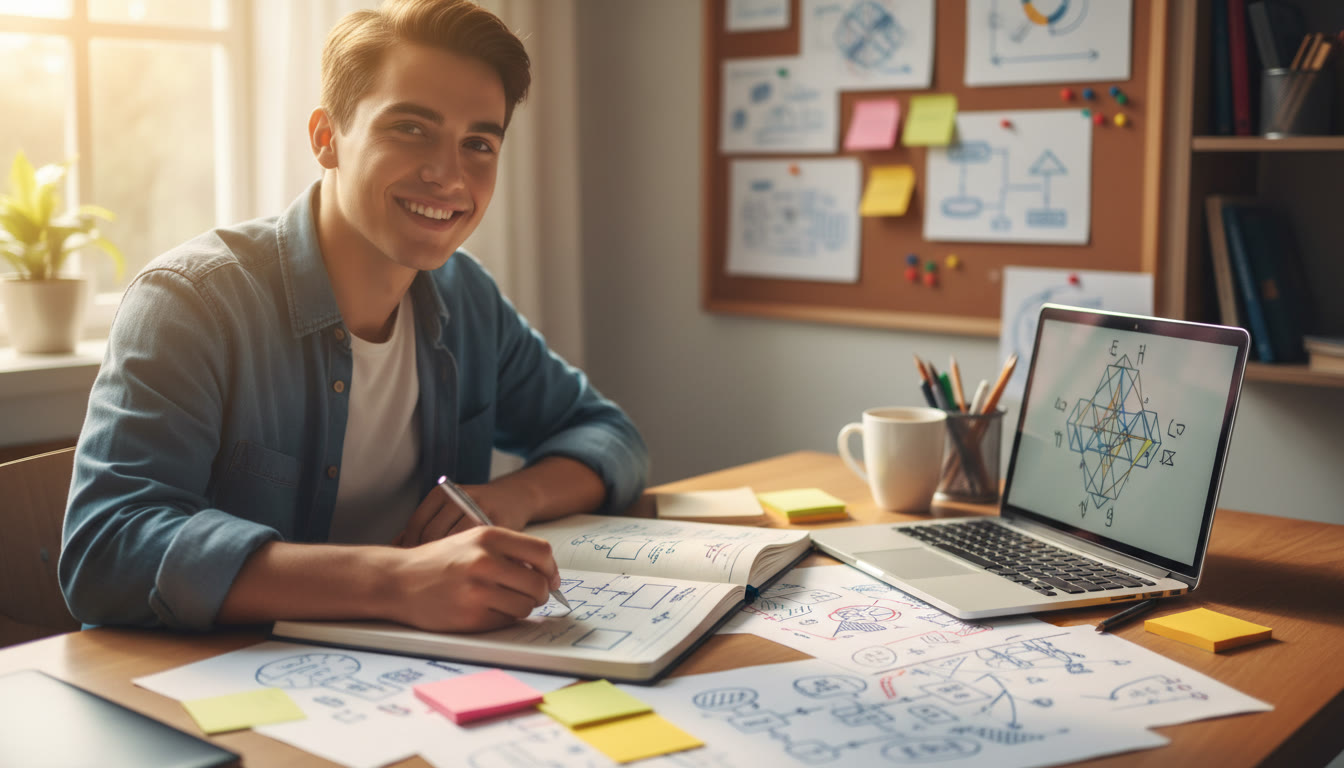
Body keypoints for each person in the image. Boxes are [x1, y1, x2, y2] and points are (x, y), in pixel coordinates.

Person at [59, 0, 648, 635]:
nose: (448, 175)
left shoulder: (467, 298)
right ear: (325, 138)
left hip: (414, 667)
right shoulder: (191, 303)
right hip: (217, 672)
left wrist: (511, 498)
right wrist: (396, 582)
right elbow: (106, 547)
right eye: (411, 128)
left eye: (478, 143)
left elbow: (608, 435)